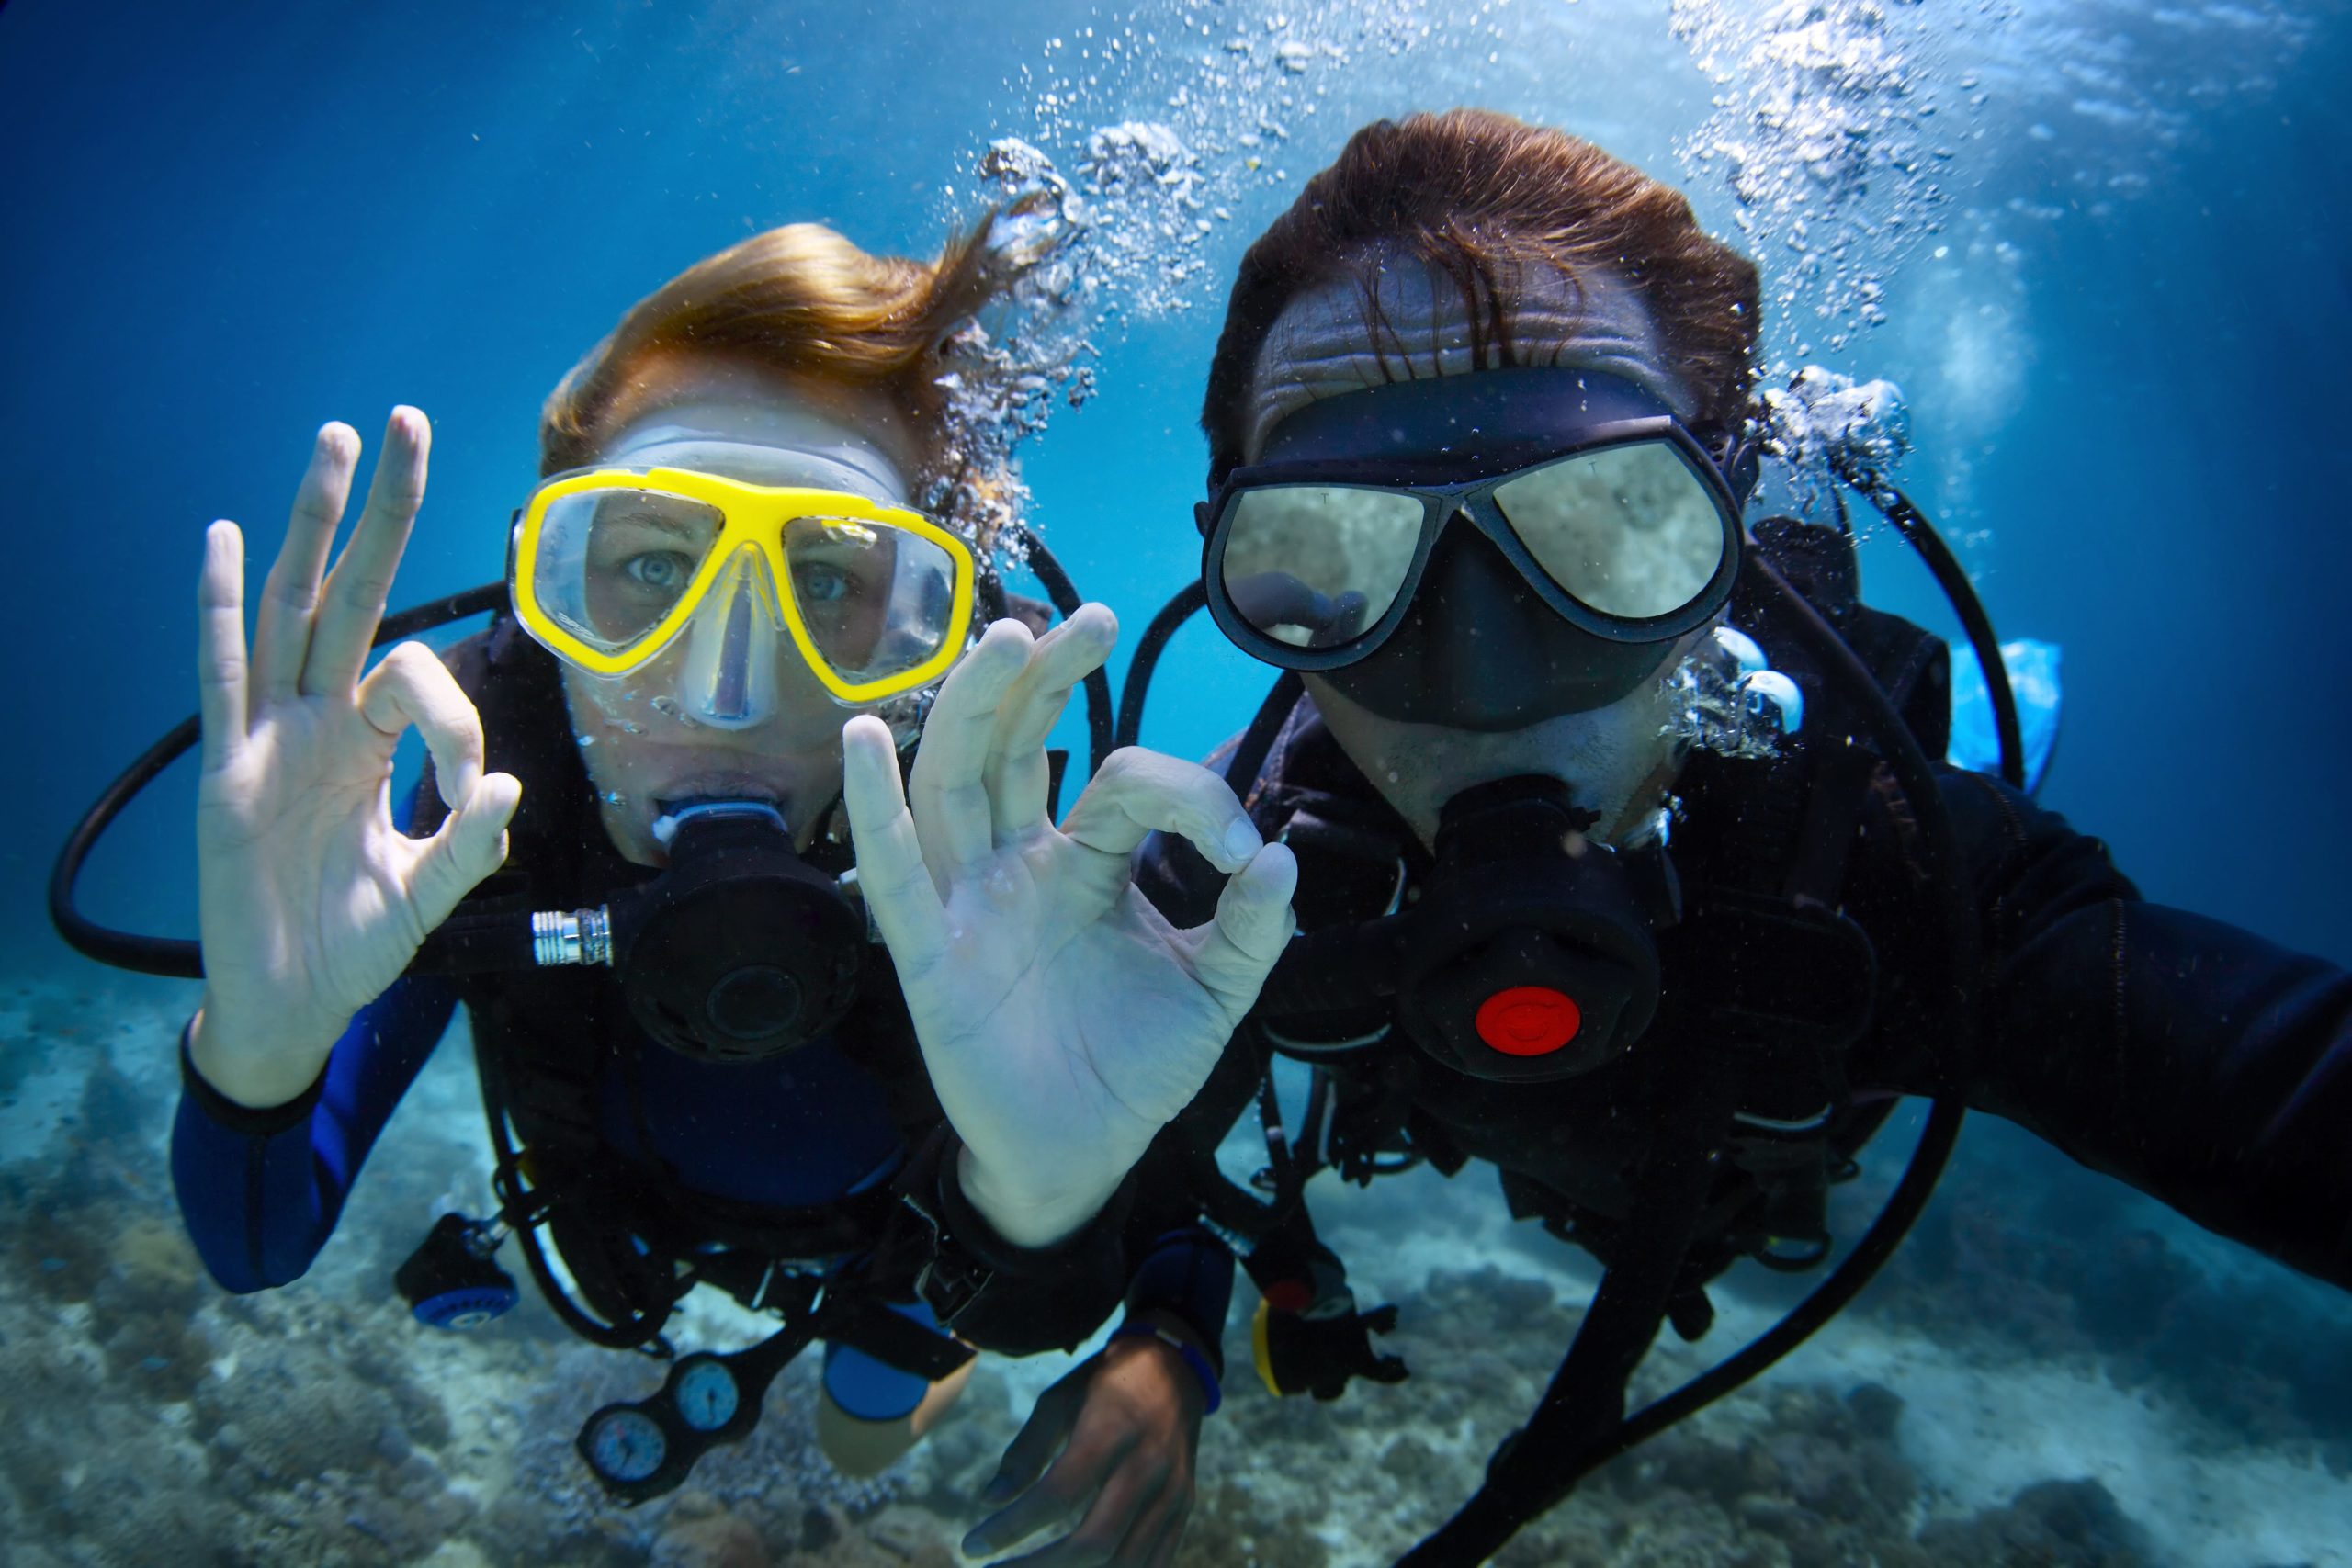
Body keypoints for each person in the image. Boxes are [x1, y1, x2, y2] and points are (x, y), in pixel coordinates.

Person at [888, 108, 2352, 1563]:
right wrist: (1063, 1220)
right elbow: (1052, 1259)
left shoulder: (1883, 856)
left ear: (1724, 518)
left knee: (1966, 748)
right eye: (1329, 554)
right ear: (1245, 572)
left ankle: (2001, 703)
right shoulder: (1237, 869)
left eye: (1607, 526)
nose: (1479, 676)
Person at [170, 211, 1295, 1554]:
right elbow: (257, 1246)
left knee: (861, 1419)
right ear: (550, 601)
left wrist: (1133, 1306)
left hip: (904, 1259)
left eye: (829, 580)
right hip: (631, 1235)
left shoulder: (993, 832)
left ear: (930, 646)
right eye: (648, 566)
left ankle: (880, 1392)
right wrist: (259, 1048)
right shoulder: (479, 807)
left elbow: (1160, 1172)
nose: (725, 690)